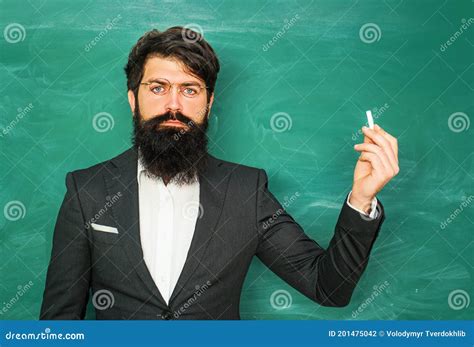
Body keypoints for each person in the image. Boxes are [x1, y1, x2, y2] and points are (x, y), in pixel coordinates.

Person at [40, 26, 399, 320]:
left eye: (190, 89)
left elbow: (328, 288)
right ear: (133, 99)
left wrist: (362, 199)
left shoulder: (246, 191)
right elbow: (58, 322)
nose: (173, 106)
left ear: (209, 103)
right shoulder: (86, 190)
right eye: (158, 88)